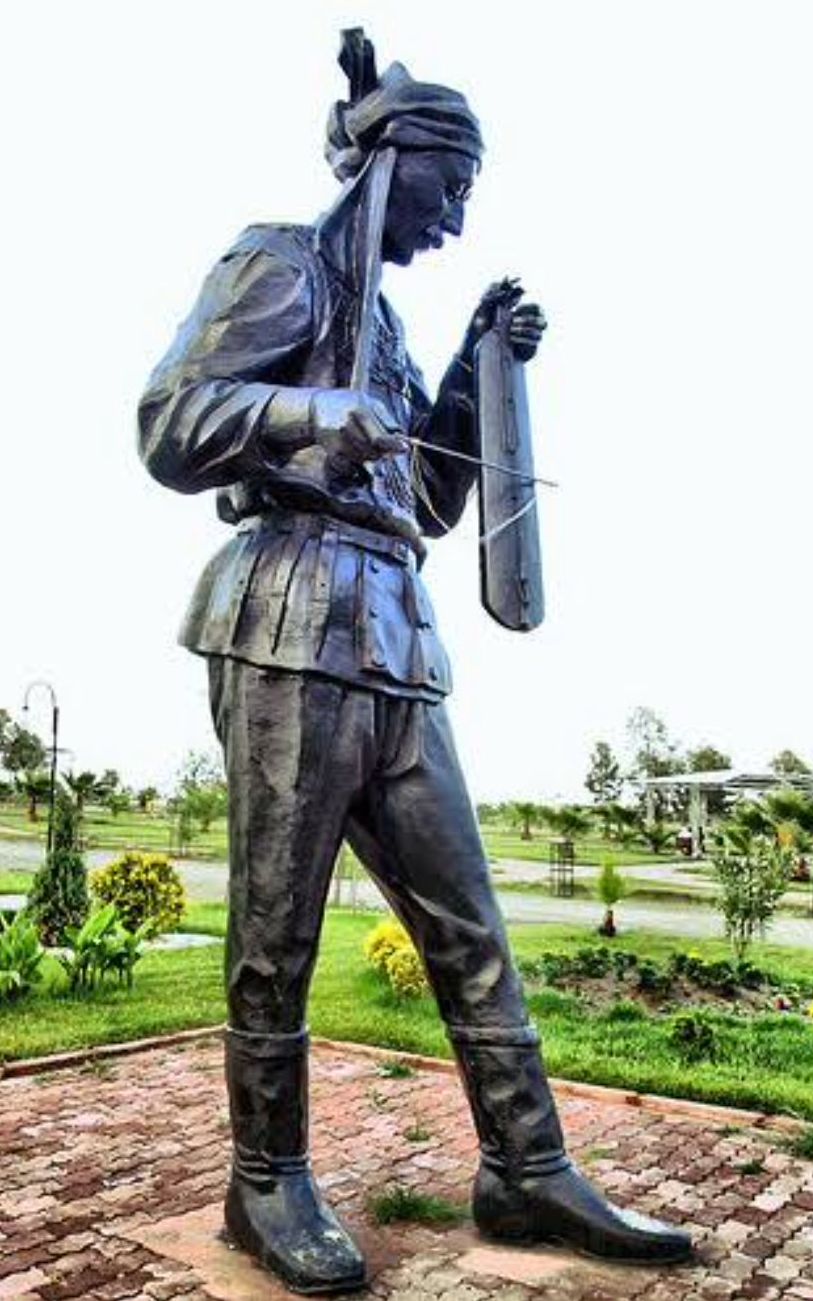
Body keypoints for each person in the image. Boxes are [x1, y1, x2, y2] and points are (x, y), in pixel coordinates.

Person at [139, 31, 691, 1295]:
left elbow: (429, 505)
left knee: (468, 923)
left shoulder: (382, 319)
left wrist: (470, 374)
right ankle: (265, 1178)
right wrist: (306, 411)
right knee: (276, 929)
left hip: (396, 628)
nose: (458, 217)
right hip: (290, 613)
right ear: (400, 162)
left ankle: (528, 1166)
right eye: (457, 184)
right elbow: (168, 421)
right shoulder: (280, 263)